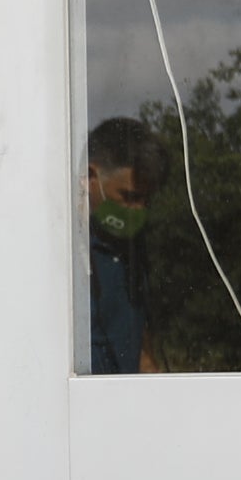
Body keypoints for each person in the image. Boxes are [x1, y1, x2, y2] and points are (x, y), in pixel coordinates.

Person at [85, 115, 162, 376]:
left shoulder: (130, 248)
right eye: (129, 197)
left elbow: (139, 344)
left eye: (145, 200)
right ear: (90, 176)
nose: (138, 210)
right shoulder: (58, 245)